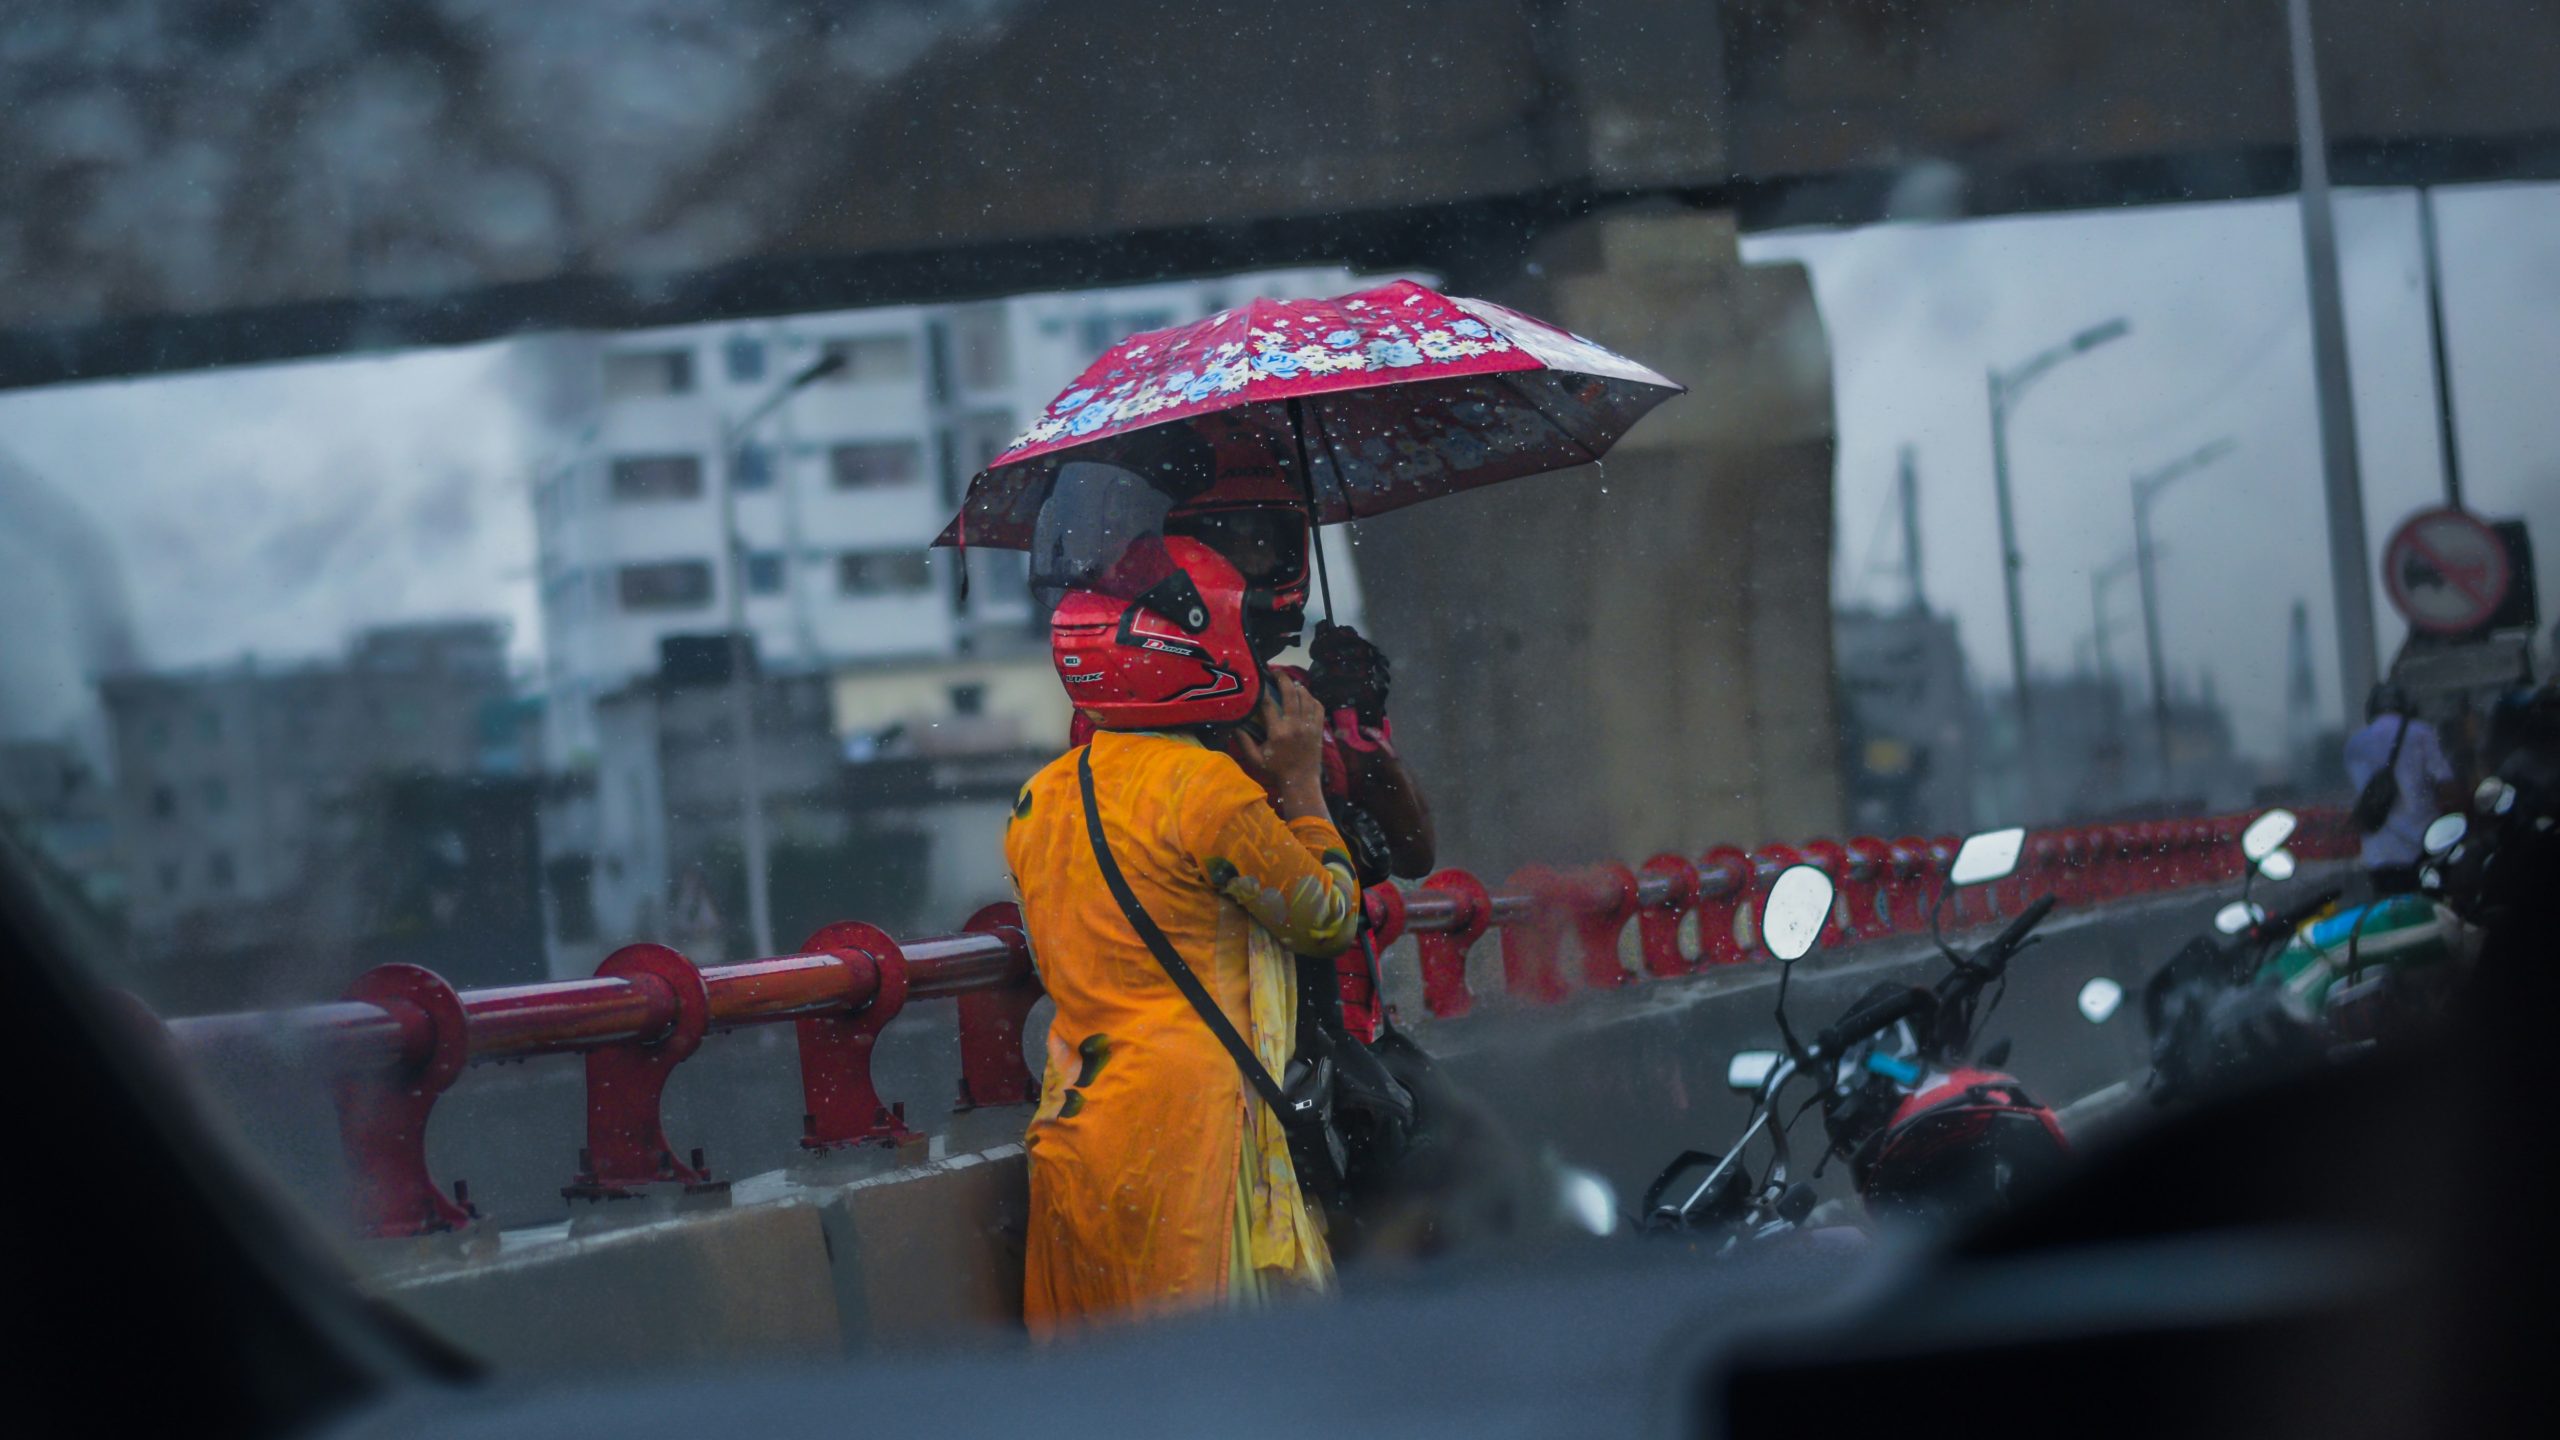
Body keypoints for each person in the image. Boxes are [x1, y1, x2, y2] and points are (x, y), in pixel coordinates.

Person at [1007, 535, 1364, 1334]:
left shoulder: (1039, 798)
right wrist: (1303, 783)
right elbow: (1329, 917)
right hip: (1194, 1127)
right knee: (1217, 1382)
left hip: (1079, 1122)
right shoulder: (1206, 791)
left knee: (1109, 1391)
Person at [2343, 681, 2464, 895]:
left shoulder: (2355, 744)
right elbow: (2446, 785)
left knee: (2392, 916)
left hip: (2378, 854)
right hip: (2422, 847)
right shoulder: (2422, 734)